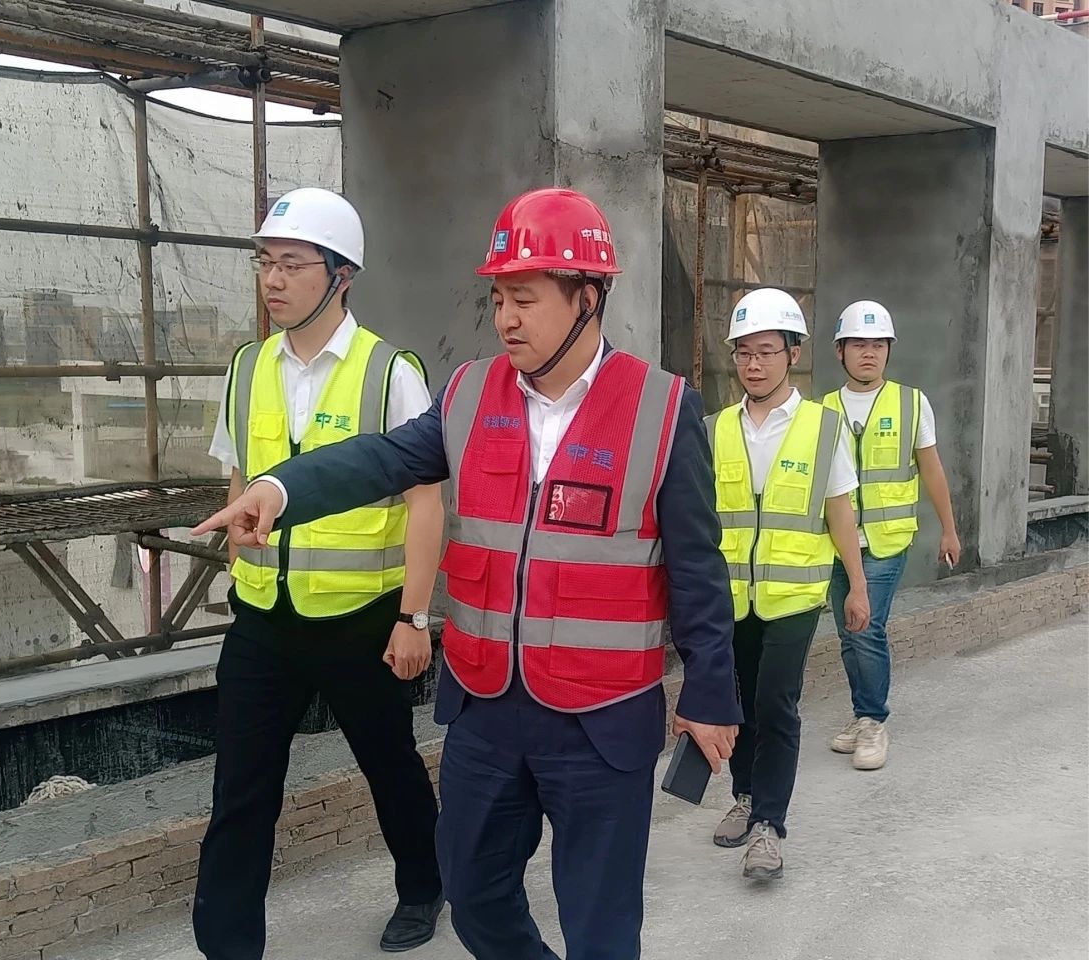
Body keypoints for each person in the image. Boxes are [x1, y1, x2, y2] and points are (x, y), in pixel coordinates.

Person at [193, 187, 741, 960]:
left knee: (601, 924)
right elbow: (381, 458)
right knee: (475, 897)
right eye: (497, 299)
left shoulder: (660, 407)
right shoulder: (470, 393)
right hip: (486, 711)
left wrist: (710, 695)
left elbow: (697, 567)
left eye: (525, 298)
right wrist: (279, 490)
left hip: (600, 720)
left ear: (588, 297)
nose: (506, 318)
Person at [193, 187, 445, 959]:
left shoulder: (388, 372)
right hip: (263, 620)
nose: (272, 279)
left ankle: (423, 886)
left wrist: (413, 618)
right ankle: (228, 945)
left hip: (360, 621)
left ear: (341, 275)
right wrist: (238, 560)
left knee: (390, 767)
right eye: (265, 262)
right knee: (240, 790)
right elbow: (239, 476)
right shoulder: (246, 367)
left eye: (292, 263)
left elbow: (427, 503)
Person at [705, 287, 871, 880]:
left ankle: (769, 827)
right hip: (732, 597)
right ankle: (745, 796)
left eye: (766, 352)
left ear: (793, 354)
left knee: (777, 703)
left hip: (795, 596)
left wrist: (857, 586)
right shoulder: (715, 428)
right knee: (740, 702)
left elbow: (840, 510)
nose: (753, 364)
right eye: (744, 352)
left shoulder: (824, 428)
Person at [822, 300, 960, 771]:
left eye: (878, 344)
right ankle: (862, 714)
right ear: (840, 351)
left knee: (867, 628)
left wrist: (949, 529)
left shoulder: (911, 402)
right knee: (848, 631)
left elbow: (931, 468)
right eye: (859, 344)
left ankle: (873, 720)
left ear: (888, 351)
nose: (869, 353)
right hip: (837, 542)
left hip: (886, 541)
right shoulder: (823, 410)